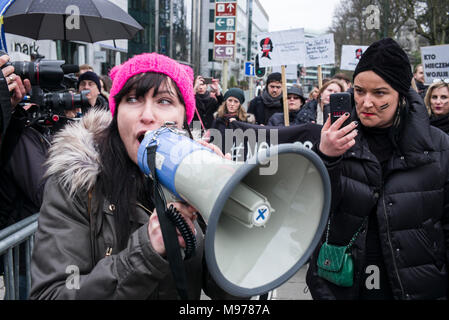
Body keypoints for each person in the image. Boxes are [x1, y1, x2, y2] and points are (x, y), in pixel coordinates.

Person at [30, 52, 239, 300]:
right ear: (116, 114)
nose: (147, 115)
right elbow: (51, 294)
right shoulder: (76, 183)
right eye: (132, 99)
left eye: (164, 101)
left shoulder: (197, 174)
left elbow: (228, 293)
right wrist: (145, 252)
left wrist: (227, 217)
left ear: (184, 117)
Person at [306, 38, 449, 300]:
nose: (366, 103)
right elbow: (311, 210)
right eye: (359, 91)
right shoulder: (335, 139)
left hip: (416, 286)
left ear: (401, 95)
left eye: (380, 93)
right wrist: (326, 158)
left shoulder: (438, 147)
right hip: (343, 285)